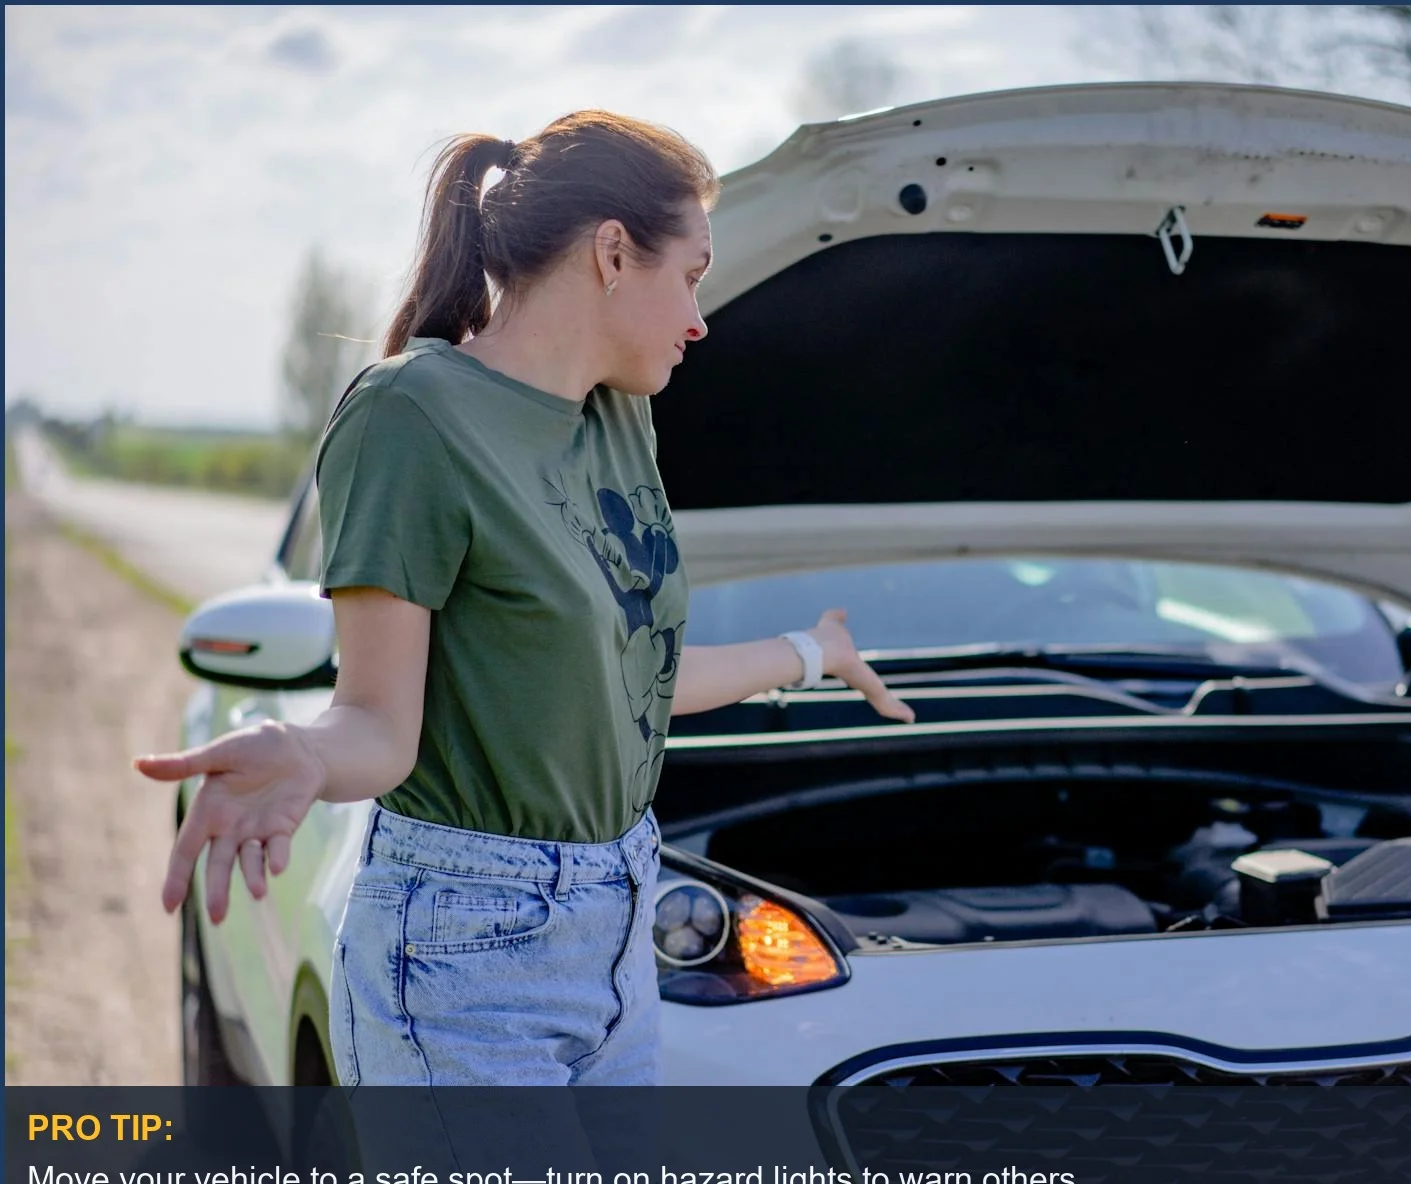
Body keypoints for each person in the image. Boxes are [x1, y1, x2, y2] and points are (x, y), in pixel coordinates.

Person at [134, 109, 915, 1087]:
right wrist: (300, 752)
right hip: (465, 956)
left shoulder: (621, 421)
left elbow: (634, 679)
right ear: (612, 253)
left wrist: (811, 650)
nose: (699, 318)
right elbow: (378, 723)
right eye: (692, 275)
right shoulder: (410, 413)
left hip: (623, 929)